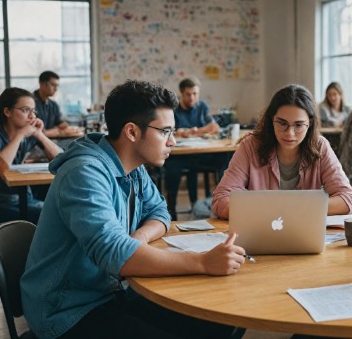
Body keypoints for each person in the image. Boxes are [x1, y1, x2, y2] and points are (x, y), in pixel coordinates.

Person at [21, 80, 246, 339]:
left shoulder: (132, 166)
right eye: (165, 131)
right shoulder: (84, 172)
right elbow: (114, 254)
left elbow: (160, 212)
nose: (172, 141)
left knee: (220, 321)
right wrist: (202, 262)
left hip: (108, 293)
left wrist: (137, 239)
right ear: (131, 132)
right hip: (67, 311)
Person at [212, 84, 352, 219]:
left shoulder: (320, 146)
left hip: (303, 236)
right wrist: (280, 210)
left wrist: (290, 209)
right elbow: (220, 200)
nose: (289, 134)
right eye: (282, 123)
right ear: (271, 119)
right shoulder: (250, 146)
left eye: (298, 125)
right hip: (261, 235)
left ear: (309, 124)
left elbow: (347, 199)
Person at [0, 87, 62, 237]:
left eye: (33, 111)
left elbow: (61, 159)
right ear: (7, 112)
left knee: (64, 211)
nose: (31, 116)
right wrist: (19, 136)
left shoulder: (26, 132)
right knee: (58, 218)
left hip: (23, 201)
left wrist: (39, 135)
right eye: (25, 110)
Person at [164, 77, 229, 219]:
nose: (192, 97)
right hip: (180, 155)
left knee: (225, 159)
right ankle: (171, 209)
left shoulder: (202, 106)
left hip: (200, 153)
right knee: (172, 167)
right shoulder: (174, 109)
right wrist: (180, 132)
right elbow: (169, 130)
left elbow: (214, 127)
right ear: (181, 93)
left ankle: (222, 202)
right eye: (188, 94)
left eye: (195, 94)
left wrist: (194, 131)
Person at [33, 70, 81, 138]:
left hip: (52, 138)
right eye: (53, 85)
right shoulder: (30, 104)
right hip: (37, 142)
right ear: (42, 84)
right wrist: (54, 130)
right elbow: (34, 131)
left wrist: (62, 124)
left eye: (57, 86)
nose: (56, 89)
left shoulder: (53, 105)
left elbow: (58, 122)